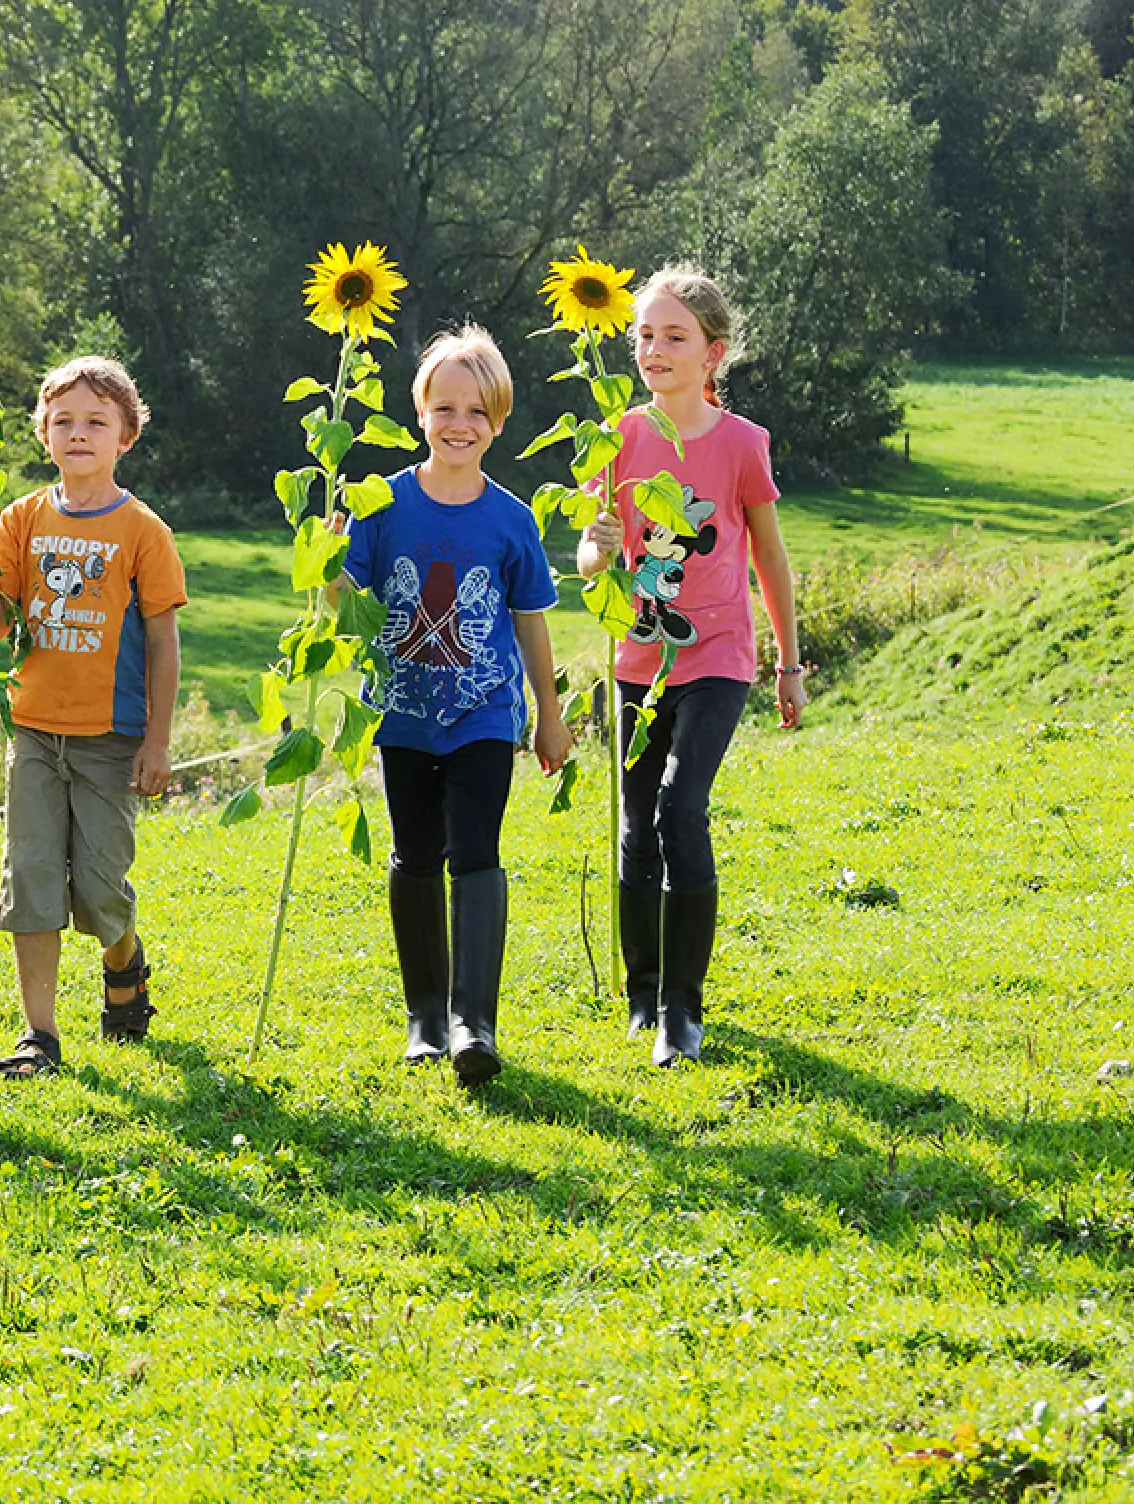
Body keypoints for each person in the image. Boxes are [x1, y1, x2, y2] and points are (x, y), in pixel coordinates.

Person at [0, 356, 186, 1079]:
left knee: (101, 888)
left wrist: (158, 742)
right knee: (33, 879)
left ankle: (123, 960)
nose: (78, 433)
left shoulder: (143, 531)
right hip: (35, 731)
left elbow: (164, 643)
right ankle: (39, 1037)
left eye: (96, 422)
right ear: (43, 433)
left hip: (112, 738)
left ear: (126, 437)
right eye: (64, 421)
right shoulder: (21, 519)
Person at [580, 266, 802, 1066]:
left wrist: (789, 663)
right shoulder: (617, 438)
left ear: (713, 353)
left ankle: (683, 1010)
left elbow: (770, 558)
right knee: (637, 826)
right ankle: (643, 997)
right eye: (644, 335)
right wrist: (597, 549)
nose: (654, 350)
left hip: (718, 658)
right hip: (638, 657)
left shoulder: (743, 445)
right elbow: (592, 554)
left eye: (674, 336)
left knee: (680, 807)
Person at [340, 327, 570, 1086]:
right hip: (402, 715)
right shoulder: (383, 505)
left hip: (484, 714)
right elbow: (347, 602)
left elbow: (530, 621)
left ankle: (475, 1024)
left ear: (497, 421)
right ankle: (426, 1021)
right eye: (444, 408)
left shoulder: (511, 520)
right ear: (420, 414)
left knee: (475, 851)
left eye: (476, 411)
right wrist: (327, 555)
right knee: (415, 854)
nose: (459, 424)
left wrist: (549, 713)